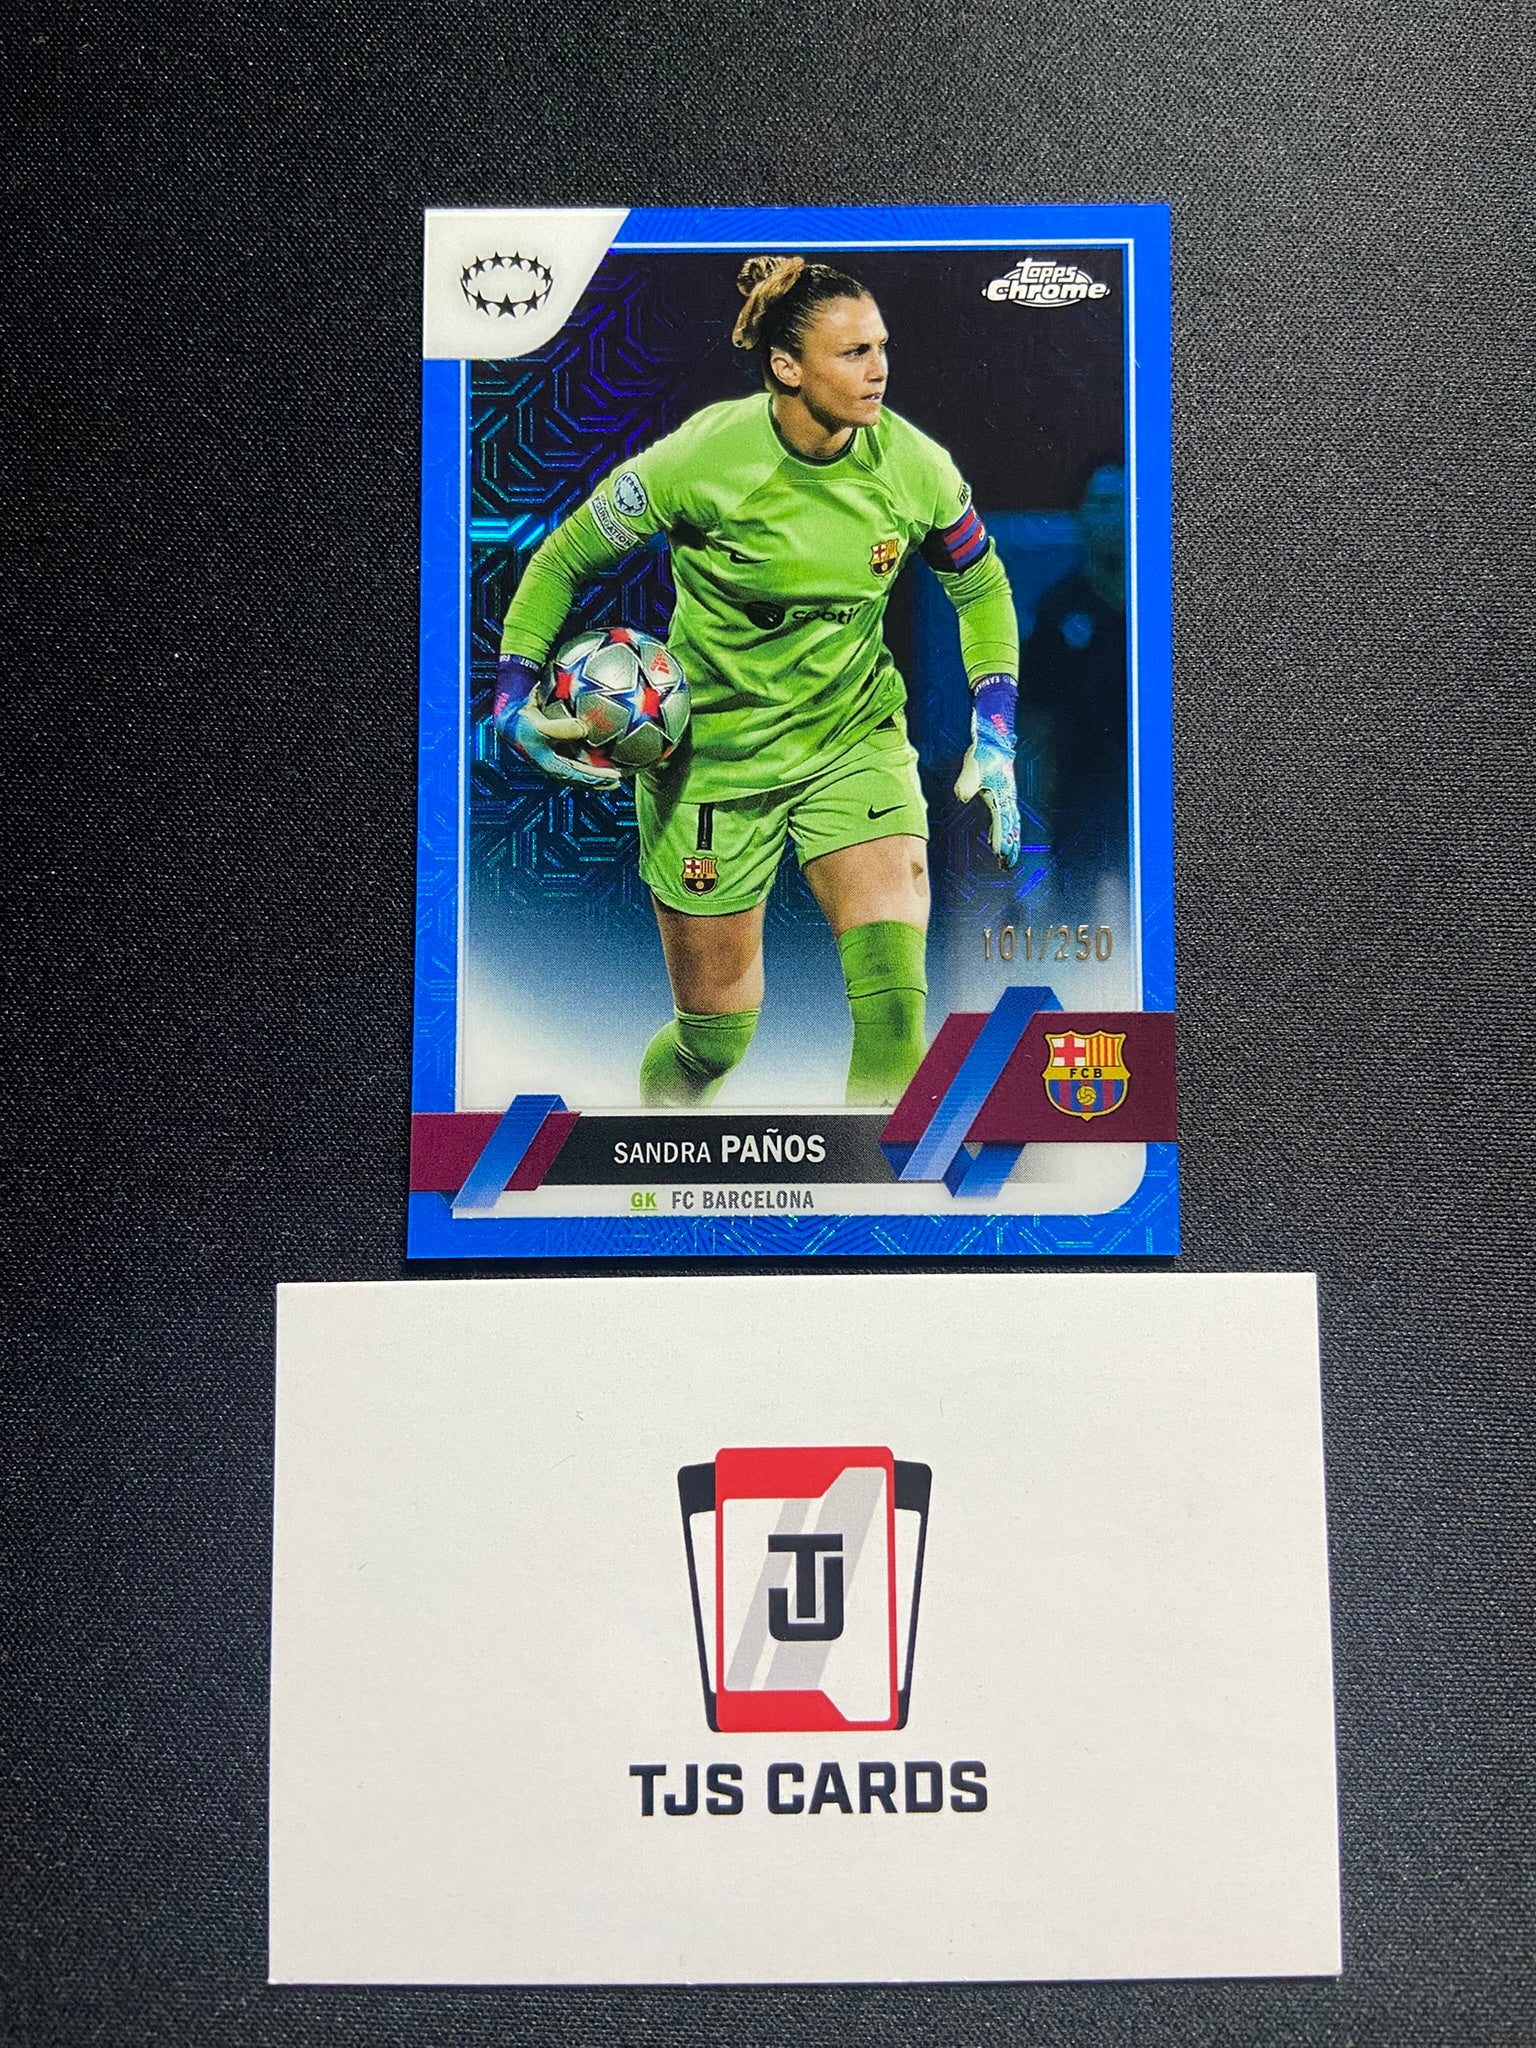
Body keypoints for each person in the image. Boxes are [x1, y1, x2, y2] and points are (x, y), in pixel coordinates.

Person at [494, 255, 1021, 1108]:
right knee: (713, 1043)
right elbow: (562, 561)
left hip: (852, 741)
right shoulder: (702, 459)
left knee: (894, 1011)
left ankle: (876, 1188)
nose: (879, 369)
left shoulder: (915, 466)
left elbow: (981, 584)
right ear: (787, 367)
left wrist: (994, 731)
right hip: (714, 760)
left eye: (881, 347)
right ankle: (657, 1156)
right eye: (853, 352)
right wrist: (512, 698)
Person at [1021, 460, 1129, 905]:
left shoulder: (1160, 605)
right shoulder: (1058, 610)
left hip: (1148, 798)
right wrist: (1031, 841)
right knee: (1075, 919)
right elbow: (1034, 730)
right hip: (1079, 799)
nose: (1113, 516)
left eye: (1122, 503)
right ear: (1082, 516)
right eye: (1101, 503)